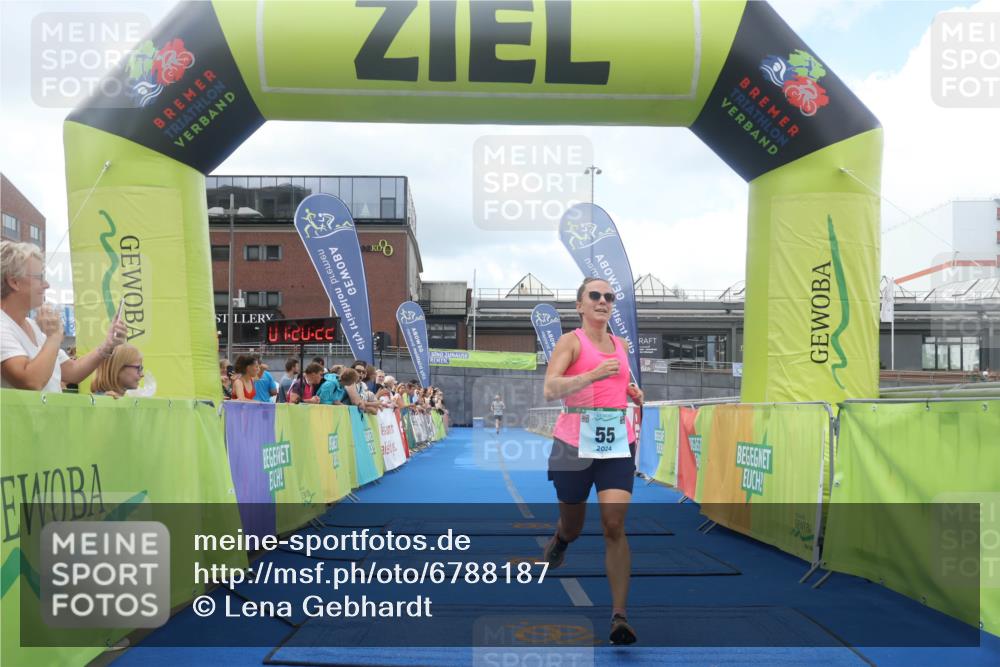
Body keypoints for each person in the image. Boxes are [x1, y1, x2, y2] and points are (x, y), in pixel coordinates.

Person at [541, 277, 644, 646]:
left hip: (615, 440)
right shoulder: (570, 342)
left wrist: (632, 392)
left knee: (614, 524)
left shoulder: (621, 345)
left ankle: (619, 616)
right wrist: (591, 375)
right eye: (595, 295)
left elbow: (617, 384)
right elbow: (550, 388)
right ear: (580, 305)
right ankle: (562, 539)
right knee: (574, 525)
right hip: (573, 443)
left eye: (609, 296)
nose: (603, 301)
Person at [1, 241, 127, 392]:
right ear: (14, 282)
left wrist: (108, 345)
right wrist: (54, 337)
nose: (46, 284)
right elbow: (31, 381)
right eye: (39, 277)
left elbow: (72, 371)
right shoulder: (3, 326)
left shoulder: (33, 326)